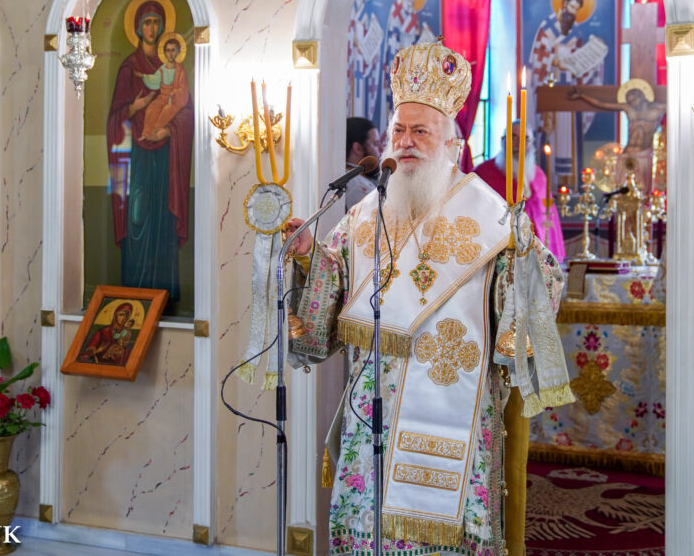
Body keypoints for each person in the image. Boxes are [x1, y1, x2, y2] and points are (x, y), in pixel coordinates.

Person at [284, 41, 572, 556]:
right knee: (366, 523)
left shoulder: (492, 218)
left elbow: (539, 284)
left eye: (421, 131)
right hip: (372, 408)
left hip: (456, 409)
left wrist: (523, 263)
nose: (407, 142)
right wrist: (309, 256)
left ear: (451, 146)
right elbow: (336, 279)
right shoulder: (366, 214)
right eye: (398, 130)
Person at [107, 1, 193, 299]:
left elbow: (186, 111)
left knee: (164, 218)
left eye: (157, 22)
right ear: (137, 27)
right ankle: (135, 290)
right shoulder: (129, 69)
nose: (152, 28)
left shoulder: (174, 69)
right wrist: (137, 106)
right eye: (147, 22)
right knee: (138, 214)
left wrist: (168, 130)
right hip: (136, 156)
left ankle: (164, 295)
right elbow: (115, 117)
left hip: (167, 156)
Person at [475, 121, 566, 262]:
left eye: (525, 139)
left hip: (534, 256)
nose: (518, 144)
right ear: (502, 140)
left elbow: (548, 219)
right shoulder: (483, 173)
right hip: (496, 253)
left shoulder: (539, 176)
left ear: (531, 143)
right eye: (513, 137)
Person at [568, 80, 665, 192]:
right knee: (621, 190)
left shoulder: (659, 109)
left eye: (633, 99)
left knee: (643, 191)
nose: (632, 103)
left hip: (644, 155)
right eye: (629, 100)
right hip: (627, 153)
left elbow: (679, 104)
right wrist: (582, 96)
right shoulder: (628, 108)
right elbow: (603, 104)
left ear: (642, 95)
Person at [528, 0, 600, 87]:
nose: (573, 12)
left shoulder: (576, 30)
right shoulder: (548, 25)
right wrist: (555, 61)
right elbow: (540, 52)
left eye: (576, 9)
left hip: (568, 77)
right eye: (572, 7)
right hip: (551, 74)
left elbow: (577, 54)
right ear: (565, 4)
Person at [136, 35, 190, 142]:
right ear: (164, 53)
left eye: (173, 50)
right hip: (162, 98)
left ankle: (154, 133)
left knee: (165, 112)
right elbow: (154, 79)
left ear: (178, 52)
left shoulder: (180, 70)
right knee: (151, 109)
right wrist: (143, 76)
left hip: (174, 101)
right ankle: (146, 133)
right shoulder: (162, 69)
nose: (170, 53)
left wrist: (175, 92)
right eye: (168, 50)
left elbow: (183, 88)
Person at [343, 117, 381, 210]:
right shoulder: (359, 186)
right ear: (358, 148)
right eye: (375, 144)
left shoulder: (347, 177)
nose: (380, 150)